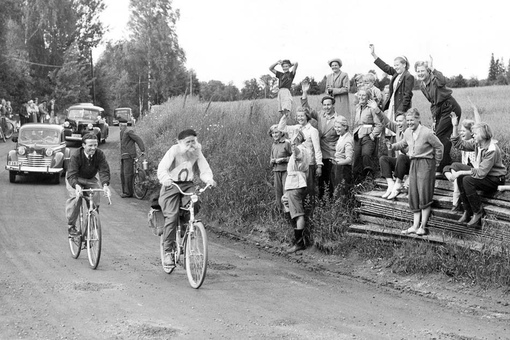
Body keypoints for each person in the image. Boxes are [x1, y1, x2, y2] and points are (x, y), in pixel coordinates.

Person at [157, 129, 216, 267]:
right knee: (171, 216)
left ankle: (185, 227)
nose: (191, 144)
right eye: (187, 142)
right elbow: (162, 168)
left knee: (195, 202)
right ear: (180, 142)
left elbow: (204, 169)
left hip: (187, 185)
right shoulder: (174, 150)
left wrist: (209, 180)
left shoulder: (197, 151)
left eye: (193, 141)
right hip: (171, 185)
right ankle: (168, 252)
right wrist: (165, 179)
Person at [388, 108, 443, 236]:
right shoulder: (407, 131)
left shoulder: (427, 133)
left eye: (412, 120)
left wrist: (437, 162)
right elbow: (403, 143)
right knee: (414, 193)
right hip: (414, 163)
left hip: (426, 164)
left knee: (424, 194)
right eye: (408, 120)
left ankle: (422, 227)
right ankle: (414, 225)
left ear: (418, 119)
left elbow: (439, 146)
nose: (410, 122)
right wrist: (393, 146)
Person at [449, 122, 506, 228]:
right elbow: (459, 144)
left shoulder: (492, 149)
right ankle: (467, 210)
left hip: (495, 178)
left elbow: (480, 173)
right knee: (459, 172)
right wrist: (455, 126)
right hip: (485, 175)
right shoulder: (477, 144)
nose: (473, 135)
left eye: (475, 133)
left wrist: (461, 172)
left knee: (466, 179)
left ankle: (477, 212)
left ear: (482, 135)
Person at [415, 56, 461, 173]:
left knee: (439, 137)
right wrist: (435, 121)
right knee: (440, 137)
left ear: (428, 71)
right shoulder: (422, 85)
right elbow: (433, 103)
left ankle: (442, 166)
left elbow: (443, 80)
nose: (420, 73)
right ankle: (447, 165)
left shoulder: (435, 80)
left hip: (450, 107)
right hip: (440, 109)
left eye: (422, 71)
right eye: (418, 71)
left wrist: (433, 68)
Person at [278, 79, 322, 197]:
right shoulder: (295, 128)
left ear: (307, 117)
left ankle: (311, 210)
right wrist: (285, 116)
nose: (300, 118)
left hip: (309, 163)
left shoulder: (312, 131)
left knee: (310, 189)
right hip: (296, 164)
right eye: (298, 116)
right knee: (298, 189)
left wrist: (319, 166)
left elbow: (317, 149)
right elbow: (281, 128)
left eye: (302, 116)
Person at [301, 80, 341, 199]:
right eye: (324, 105)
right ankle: (322, 203)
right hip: (319, 154)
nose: (326, 107)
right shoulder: (319, 115)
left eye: (329, 105)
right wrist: (304, 93)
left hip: (332, 154)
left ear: (333, 105)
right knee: (321, 182)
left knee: (332, 181)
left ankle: (333, 203)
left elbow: (342, 138)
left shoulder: (338, 119)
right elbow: (306, 109)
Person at [66, 133, 111, 236]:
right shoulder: (76, 155)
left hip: (90, 179)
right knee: (76, 199)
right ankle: (71, 226)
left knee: (95, 196)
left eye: (95, 145)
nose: (93, 148)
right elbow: (71, 174)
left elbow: (104, 170)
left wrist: (105, 185)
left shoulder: (99, 154)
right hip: (75, 179)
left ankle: (92, 224)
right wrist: (76, 186)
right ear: (83, 145)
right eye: (90, 145)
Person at [370, 44, 414, 123]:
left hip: (400, 108)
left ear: (404, 64)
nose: (395, 67)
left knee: (398, 127)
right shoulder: (396, 74)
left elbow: (407, 96)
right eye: (394, 65)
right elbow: (385, 67)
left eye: (397, 65)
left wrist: (401, 111)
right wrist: (373, 54)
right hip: (392, 105)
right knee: (391, 128)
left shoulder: (408, 76)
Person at [282, 130, 310, 253]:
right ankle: (296, 233)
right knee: (285, 201)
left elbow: (297, 153)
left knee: (298, 213)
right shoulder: (302, 149)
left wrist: (293, 145)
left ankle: (299, 242)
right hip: (293, 183)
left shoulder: (300, 149)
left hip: (296, 184)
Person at [443, 114, 476, 211]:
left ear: (471, 132)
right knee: (446, 168)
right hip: (463, 169)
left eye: (464, 131)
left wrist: (455, 126)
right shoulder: (464, 142)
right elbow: (457, 142)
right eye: (460, 131)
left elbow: (458, 143)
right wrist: (455, 126)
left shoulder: (473, 142)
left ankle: (455, 202)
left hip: (472, 170)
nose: (461, 133)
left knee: (454, 167)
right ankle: (454, 178)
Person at [377, 112, 410, 199]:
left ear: (407, 121)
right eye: (397, 121)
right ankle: (390, 184)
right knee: (383, 159)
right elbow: (386, 121)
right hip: (400, 163)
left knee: (401, 157)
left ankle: (397, 184)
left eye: (401, 121)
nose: (398, 123)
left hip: (411, 163)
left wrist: (395, 146)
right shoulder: (398, 129)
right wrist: (376, 110)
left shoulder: (411, 131)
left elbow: (409, 149)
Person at [352, 92, 383, 181]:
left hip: (368, 135)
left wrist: (373, 135)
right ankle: (357, 180)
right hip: (358, 135)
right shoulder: (357, 108)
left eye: (363, 95)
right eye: (360, 95)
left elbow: (379, 124)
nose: (361, 97)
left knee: (366, 154)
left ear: (368, 98)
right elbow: (356, 124)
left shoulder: (371, 109)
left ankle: (370, 177)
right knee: (357, 158)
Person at [268, 124, 291, 212]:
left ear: (281, 133)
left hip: (285, 170)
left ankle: (288, 213)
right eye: (273, 133)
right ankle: (280, 212)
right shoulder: (274, 144)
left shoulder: (287, 143)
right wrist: (272, 161)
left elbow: (293, 157)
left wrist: (283, 159)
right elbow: (271, 158)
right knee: (278, 192)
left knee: (286, 191)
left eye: (276, 132)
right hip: (276, 170)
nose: (275, 135)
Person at [120, 123, 146, 198]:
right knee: (123, 174)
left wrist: (142, 150)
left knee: (127, 174)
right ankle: (126, 191)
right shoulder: (123, 132)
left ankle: (128, 193)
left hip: (129, 155)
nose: (120, 126)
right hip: (124, 156)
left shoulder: (129, 131)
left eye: (121, 125)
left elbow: (138, 139)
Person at [332, 116, 353, 196]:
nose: (337, 129)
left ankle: (343, 207)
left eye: (339, 127)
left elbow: (349, 159)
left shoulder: (348, 140)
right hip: (338, 167)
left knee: (342, 191)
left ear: (345, 127)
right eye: (335, 127)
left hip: (344, 169)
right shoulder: (341, 136)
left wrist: (339, 163)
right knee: (337, 190)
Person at [325, 58, 351, 123]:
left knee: (342, 120)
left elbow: (346, 89)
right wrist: (328, 91)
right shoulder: (329, 76)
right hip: (331, 101)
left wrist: (333, 90)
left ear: (339, 66)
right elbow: (326, 88)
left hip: (341, 101)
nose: (334, 67)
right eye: (332, 65)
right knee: (332, 120)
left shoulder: (344, 75)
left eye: (336, 65)